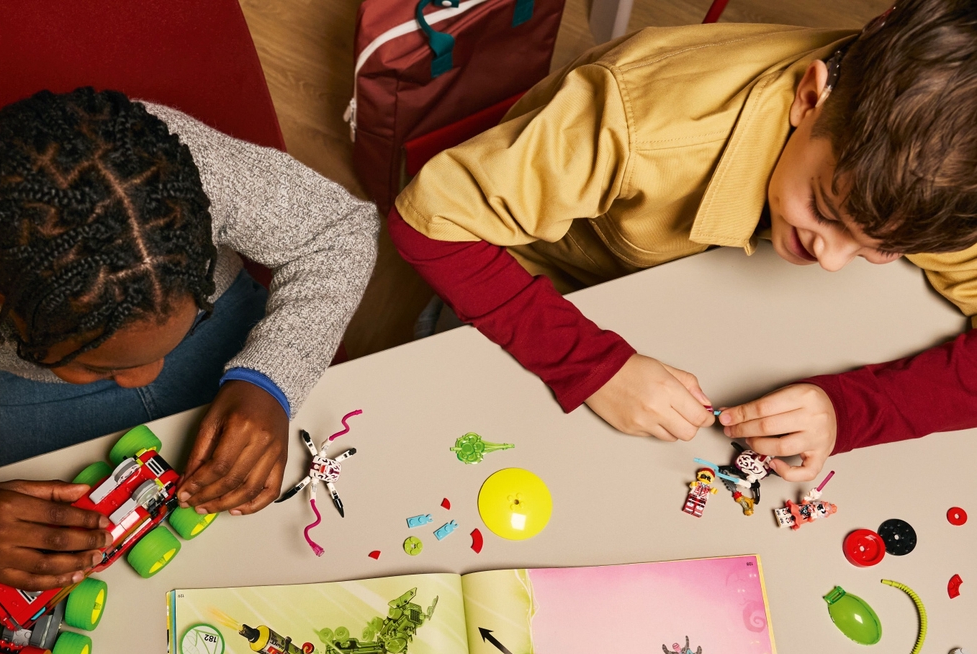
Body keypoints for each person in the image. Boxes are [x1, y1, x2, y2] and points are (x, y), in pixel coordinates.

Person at [389, 1, 977, 480]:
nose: (832, 261)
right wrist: (592, 366)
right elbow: (430, 223)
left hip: (682, 314)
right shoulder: (639, 124)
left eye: (882, 249)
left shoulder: (933, 173)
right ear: (808, 99)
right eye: (824, 211)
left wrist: (850, 412)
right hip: (525, 286)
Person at [0, 87, 379, 585]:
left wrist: (272, 377)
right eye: (95, 362)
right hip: (31, 389)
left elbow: (338, 231)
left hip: (222, 325)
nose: (149, 374)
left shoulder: (167, 169)